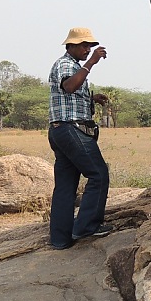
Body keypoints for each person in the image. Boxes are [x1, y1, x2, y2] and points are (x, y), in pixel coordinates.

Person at [47, 27, 113, 250]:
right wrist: (91, 62)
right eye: (84, 45)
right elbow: (68, 86)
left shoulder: (72, 66)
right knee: (98, 174)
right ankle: (87, 226)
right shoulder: (66, 64)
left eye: (90, 47)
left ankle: (60, 238)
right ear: (71, 46)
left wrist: (91, 97)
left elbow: (70, 92)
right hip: (70, 129)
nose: (88, 49)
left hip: (60, 130)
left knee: (65, 186)